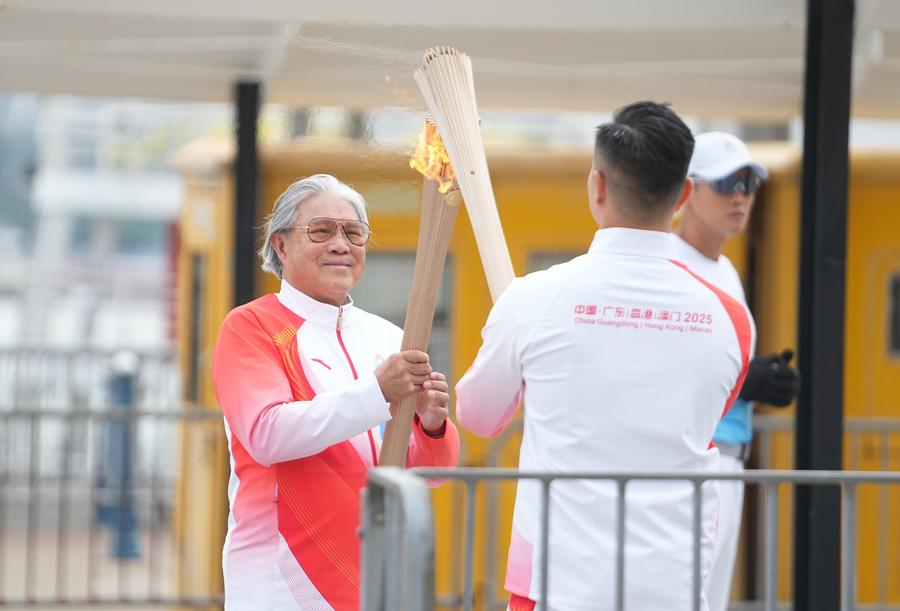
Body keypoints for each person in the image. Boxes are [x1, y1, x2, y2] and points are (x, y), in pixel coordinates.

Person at [455, 101, 753, 611]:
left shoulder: (533, 299)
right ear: (683, 194)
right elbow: (710, 414)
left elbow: (478, 416)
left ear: (597, 185)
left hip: (556, 583)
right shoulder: (731, 319)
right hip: (674, 584)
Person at [212, 174, 460, 611]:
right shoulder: (252, 327)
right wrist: (376, 393)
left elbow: (428, 473)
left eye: (353, 232)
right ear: (281, 245)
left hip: (376, 573)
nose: (341, 245)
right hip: (285, 581)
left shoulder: (389, 337)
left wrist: (432, 426)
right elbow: (267, 434)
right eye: (322, 231)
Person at [674, 131, 801, 611]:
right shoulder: (668, 264)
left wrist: (761, 379)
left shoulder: (725, 271)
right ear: (687, 190)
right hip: (688, 464)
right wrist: (749, 380)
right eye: (727, 182)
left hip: (726, 459)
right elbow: (672, 363)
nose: (741, 196)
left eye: (750, 184)